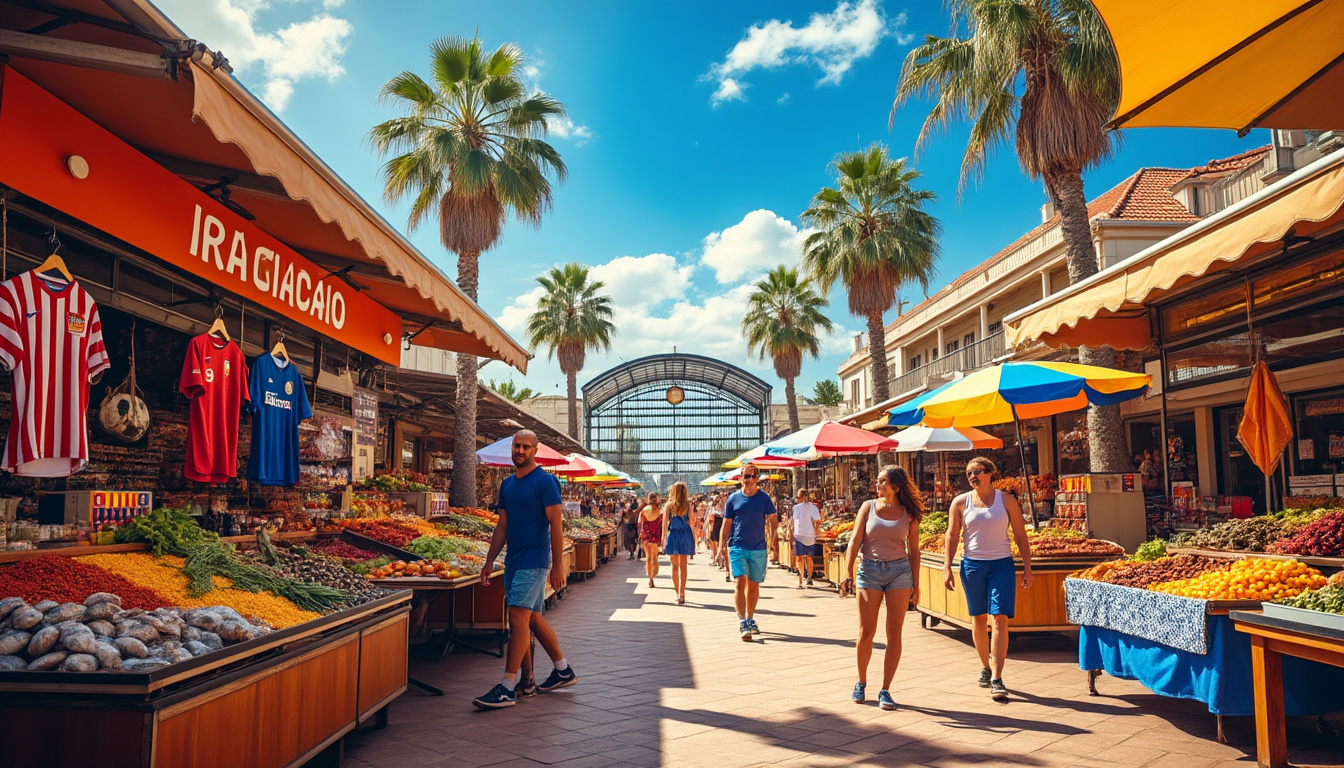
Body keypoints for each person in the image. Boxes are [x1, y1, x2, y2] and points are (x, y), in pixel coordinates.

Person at [472, 430, 576, 710]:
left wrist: (556, 564)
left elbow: (556, 524)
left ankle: (507, 686)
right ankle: (551, 673)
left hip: (534, 560)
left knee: (517, 619)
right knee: (530, 620)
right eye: (517, 446)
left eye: (526, 447)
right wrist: (489, 560)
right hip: (513, 561)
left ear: (535, 450)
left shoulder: (545, 481)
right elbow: (502, 526)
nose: (520, 450)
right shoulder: (506, 485)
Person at [944, 457, 1033, 702]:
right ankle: (985, 666)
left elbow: (1021, 535)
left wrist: (1027, 567)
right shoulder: (960, 502)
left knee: (1001, 619)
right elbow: (952, 536)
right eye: (969, 473)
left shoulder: (1007, 501)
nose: (973, 476)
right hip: (972, 565)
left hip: (1001, 565)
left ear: (990, 473)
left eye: (978, 472)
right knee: (978, 619)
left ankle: (998, 677)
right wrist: (946, 567)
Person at [841, 466, 923, 710]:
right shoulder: (868, 507)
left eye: (883, 481)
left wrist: (916, 584)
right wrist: (847, 572)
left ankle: (886, 689)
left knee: (894, 632)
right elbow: (855, 540)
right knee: (866, 632)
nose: (878, 485)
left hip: (900, 572)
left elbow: (915, 551)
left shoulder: (909, 513)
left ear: (896, 485)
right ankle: (861, 681)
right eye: (878, 481)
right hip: (870, 571)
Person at [718, 464, 778, 641]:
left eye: (752, 476)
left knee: (753, 585)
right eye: (746, 476)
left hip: (758, 547)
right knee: (739, 582)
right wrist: (721, 547)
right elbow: (726, 524)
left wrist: (773, 540)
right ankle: (742, 620)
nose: (749, 479)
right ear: (741, 477)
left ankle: (750, 617)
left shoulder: (764, 498)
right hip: (737, 546)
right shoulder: (733, 499)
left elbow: (774, 520)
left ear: (757, 478)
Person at [662, 482, 696, 604]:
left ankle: (677, 593)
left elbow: (664, 524)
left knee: (674, 566)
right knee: (684, 566)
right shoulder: (688, 505)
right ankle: (682, 593)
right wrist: (695, 538)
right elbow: (691, 523)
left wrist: (663, 538)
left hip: (673, 535)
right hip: (685, 535)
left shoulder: (668, 506)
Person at [791, 488, 823, 589]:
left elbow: (817, 520)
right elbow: (794, 521)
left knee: (805, 557)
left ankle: (807, 577)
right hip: (801, 534)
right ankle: (803, 577)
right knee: (803, 557)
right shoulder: (796, 508)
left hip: (806, 534)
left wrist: (817, 529)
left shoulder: (811, 507)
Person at [639, 491, 663, 587]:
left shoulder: (644, 510)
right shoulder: (660, 511)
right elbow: (661, 526)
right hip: (655, 536)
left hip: (645, 536)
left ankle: (650, 579)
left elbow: (640, 525)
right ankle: (653, 574)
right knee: (654, 557)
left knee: (648, 557)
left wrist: (641, 535)